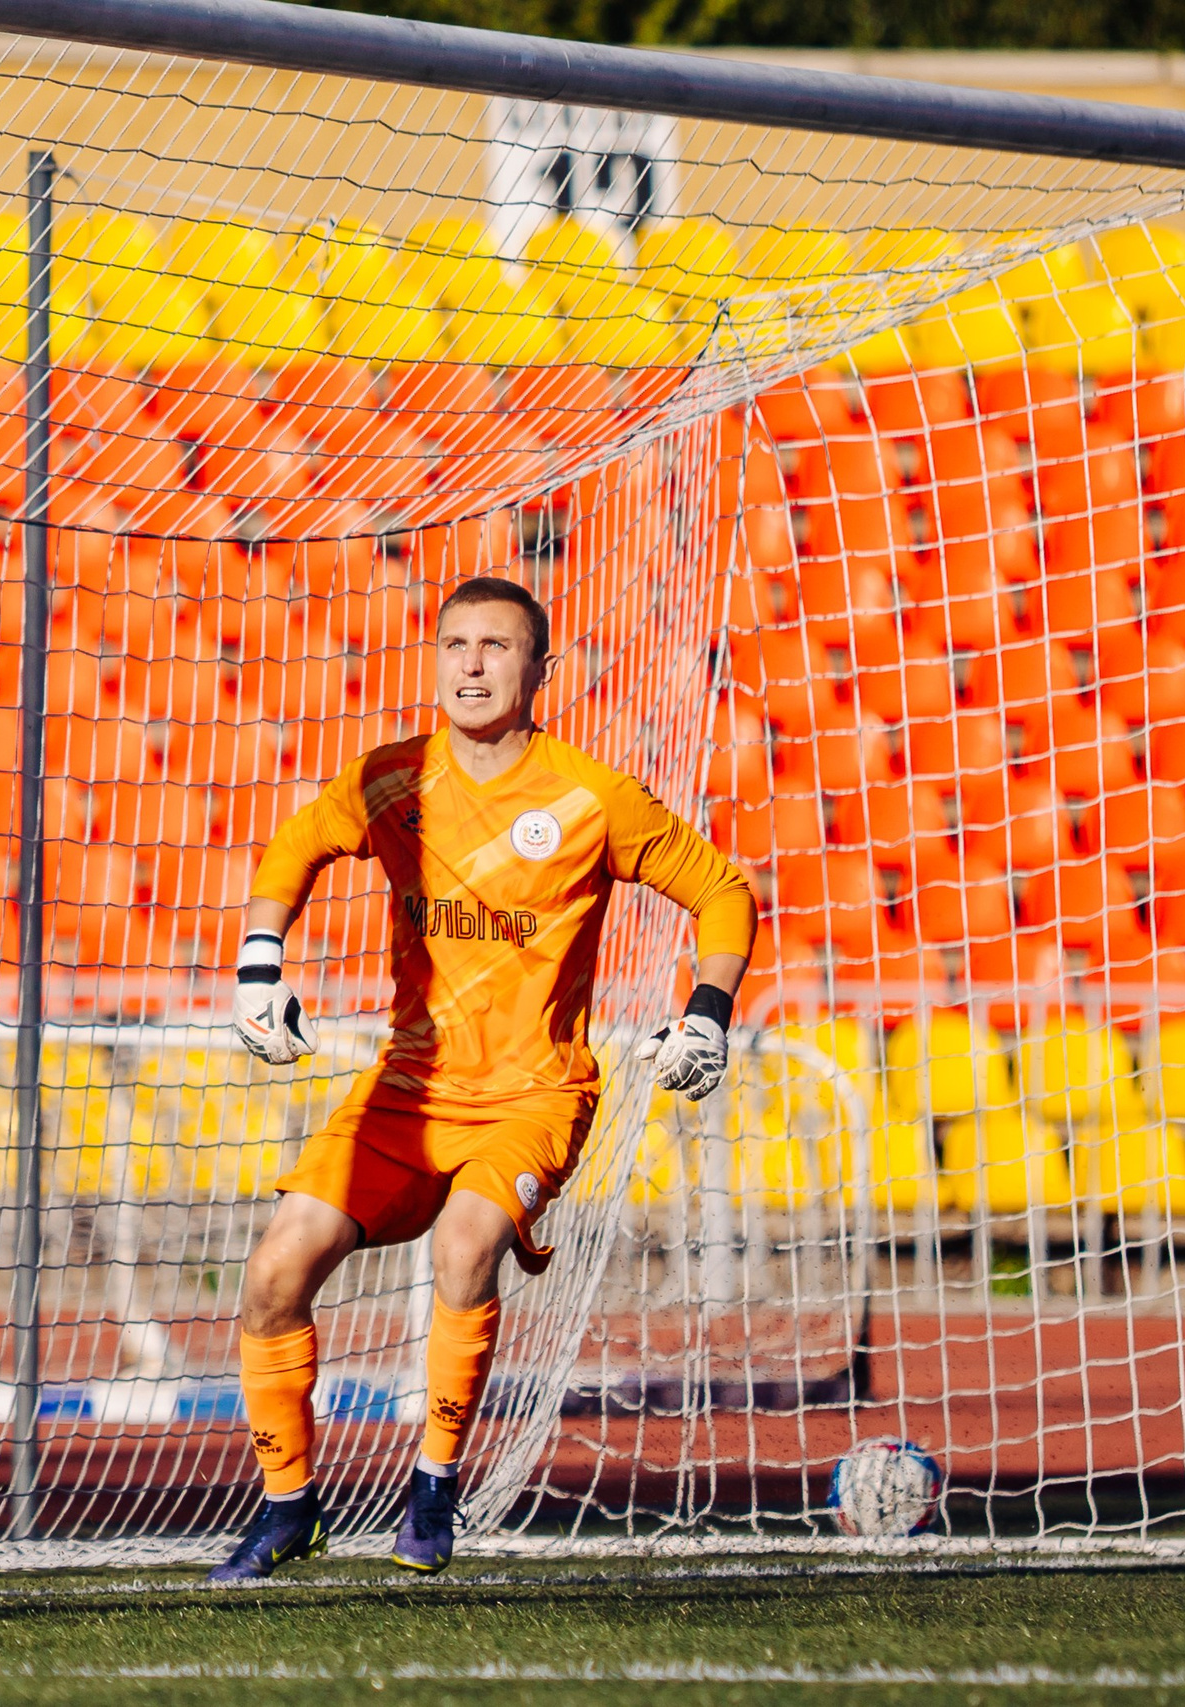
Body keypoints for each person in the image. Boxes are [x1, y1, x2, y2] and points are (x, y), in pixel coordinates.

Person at [210, 574, 755, 1582]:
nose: (470, 663)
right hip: (406, 1091)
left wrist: (707, 1013)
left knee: (466, 1247)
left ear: (537, 669)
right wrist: (256, 968)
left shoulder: (590, 798)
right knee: (273, 1274)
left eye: (495, 646)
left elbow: (720, 889)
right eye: (455, 643)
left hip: (532, 1092)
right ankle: (288, 1508)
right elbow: (295, 845)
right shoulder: (392, 777)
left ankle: (431, 1488)